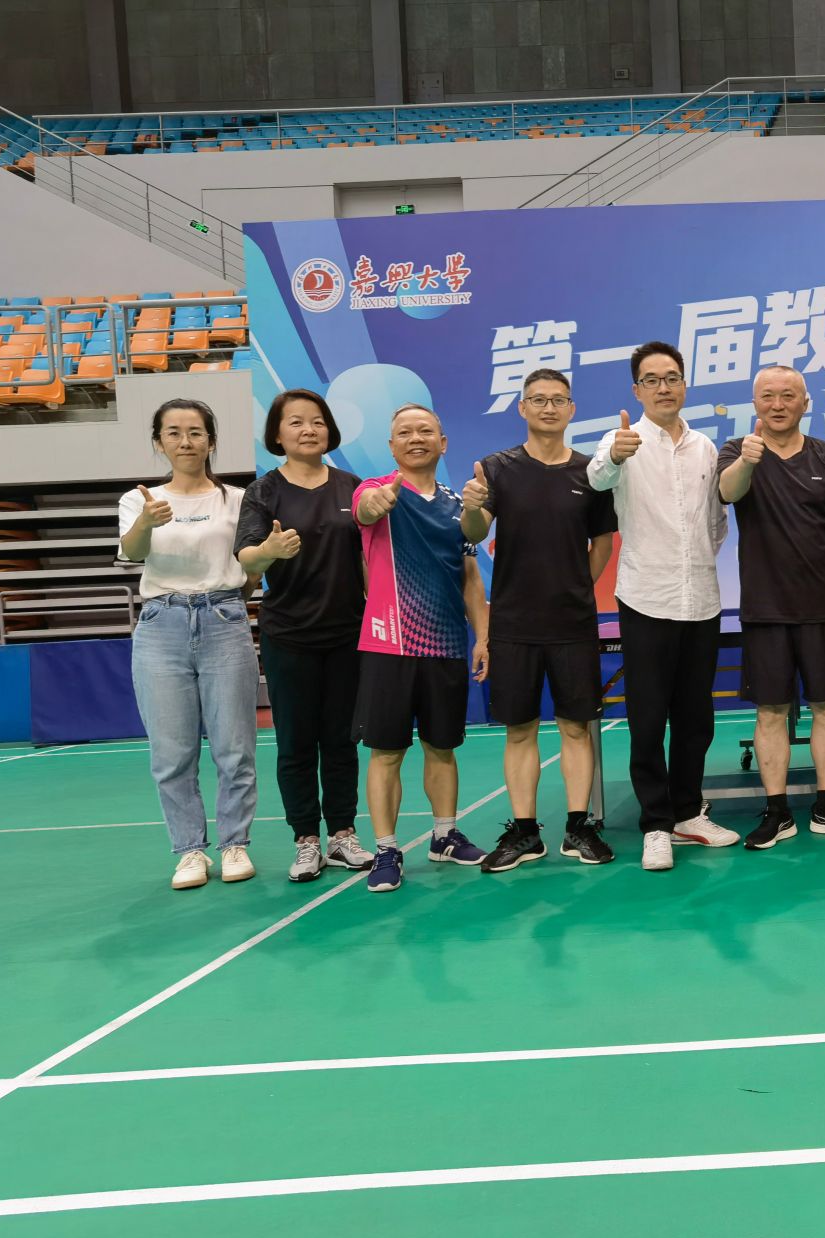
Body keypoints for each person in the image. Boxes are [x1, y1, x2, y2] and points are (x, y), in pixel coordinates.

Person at [460, 367, 619, 872]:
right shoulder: (497, 469)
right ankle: (525, 833)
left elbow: (602, 543)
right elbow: (475, 531)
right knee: (520, 730)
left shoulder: (591, 472)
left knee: (576, 728)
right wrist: (471, 507)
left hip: (573, 623)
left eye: (558, 400)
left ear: (571, 409)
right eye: (538, 399)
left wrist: (575, 587)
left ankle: (578, 828)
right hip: (513, 623)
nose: (549, 408)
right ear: (522, 408)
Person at [588, 342, 740, 871]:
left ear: (685, 385)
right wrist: (615, 454)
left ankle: (687, 814)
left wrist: (693, 560)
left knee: (697, 719)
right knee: (648, 720)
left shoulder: (705, 447)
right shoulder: (621, 440)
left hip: (701, 599)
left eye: (671, 377)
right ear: (637, 390)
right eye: (651, 380)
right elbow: (597, 477)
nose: (663, 387)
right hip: (645, 598)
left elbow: (715, 524)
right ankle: (655, 824)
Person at [717, 365, 825, 848]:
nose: (777, 404)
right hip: (765, 608)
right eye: (767, 396)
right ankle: (777, 811)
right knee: (770, 713)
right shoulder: (738, 450)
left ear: (806, 403)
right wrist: (748, 461)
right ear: (755, 404)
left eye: (788, 395)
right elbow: (727, 492)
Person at [120, 399, 260, 891]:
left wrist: (254, 574)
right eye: (174, 432)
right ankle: (189, 851)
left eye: (196, 432)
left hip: (224, 618)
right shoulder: (139, 499)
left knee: (235, 747)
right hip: (161, 625)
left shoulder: (238, 499)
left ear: (211, 441)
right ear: (159, 442)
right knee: (172, 753)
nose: (186, 441)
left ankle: (235, 843)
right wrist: (147, 522)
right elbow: (133, 553)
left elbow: (250, 564)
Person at [351, 404, 491, 892]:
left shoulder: (457, 503)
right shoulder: (374, 489)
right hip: (389, 644)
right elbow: (365, 511)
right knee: (386, 752)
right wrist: (379, 503)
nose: (416, 438)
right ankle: (386, 849)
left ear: (442, 442)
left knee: (442, 747)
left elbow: (471, 575)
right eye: (405, 432)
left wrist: (483, 636)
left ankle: (444, 835)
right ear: (392, 446)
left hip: (446, 643)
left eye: (425, 431)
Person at [236, 388, 373, 883]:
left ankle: (342, 834)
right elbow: (246, 558)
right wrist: (269, 550)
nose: (308, 429)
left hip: (346, 634)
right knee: (295, 743)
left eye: (316, 421)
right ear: (277, 434)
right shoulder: (263, 491)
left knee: (341, 740)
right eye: (295, 422)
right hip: (289, 634)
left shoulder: (352, 488)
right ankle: (306, 840)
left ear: (329, 429)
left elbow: (368, 559)